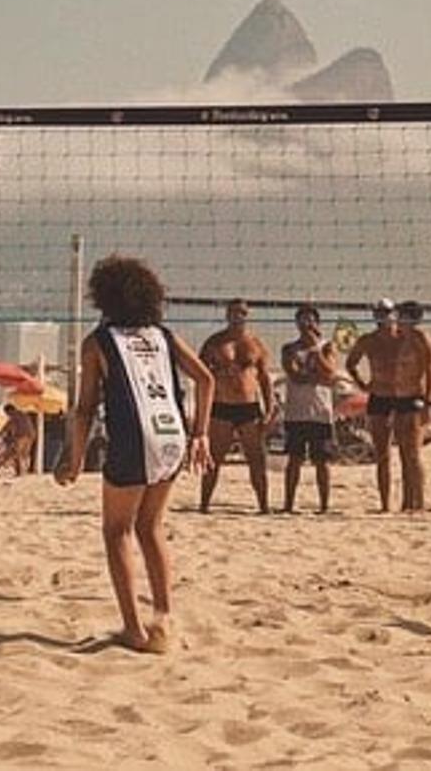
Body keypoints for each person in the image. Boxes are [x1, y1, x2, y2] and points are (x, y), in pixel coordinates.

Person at [56, 255, 214, 653]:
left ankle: (134, 629)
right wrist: (201, 435)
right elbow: (206, 379)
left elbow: (86, 408)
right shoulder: (163, 335)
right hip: (172, 434)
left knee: (116, 532)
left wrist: (73, 459)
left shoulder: (98, 343)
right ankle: (165, 617)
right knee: (151, 528)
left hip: (134, 437)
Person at [346, 298, 431, 513]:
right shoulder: (368, 340)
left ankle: (414, 503)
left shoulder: (413, 338)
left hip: (409, 396)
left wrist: (428, 400)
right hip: (381, 396)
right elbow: (351, 363)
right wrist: (363, 385)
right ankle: (386, 505)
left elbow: (430, 368)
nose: (382, 316)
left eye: (386, 312)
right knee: (382, 454)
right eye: (378, 312)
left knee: (411, 454)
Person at [197, 298, 276, 514]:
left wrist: (269, 409)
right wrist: (216, 374)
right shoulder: (215, 342)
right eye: (234, 312)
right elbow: (199, 373)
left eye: (242, 312)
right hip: (222, 405)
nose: (238, 316)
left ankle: (263, 505)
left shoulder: (255, 343)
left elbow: (265, 378)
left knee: (256, 458)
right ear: (227, 314)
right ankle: (204, 504)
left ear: (247, 315)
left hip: (249, 406)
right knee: (214, 457)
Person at [279, 303, 338, 514]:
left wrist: (315, 350)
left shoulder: (327, 346)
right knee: (294, 460)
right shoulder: (289, 348)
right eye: (302, 320)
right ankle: (288, 504)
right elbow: (295, 375)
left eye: (310, 319)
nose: (306, 324)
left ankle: (324, 506)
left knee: (322, 462)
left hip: (320, 413)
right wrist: (316, 376)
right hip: (296, 413)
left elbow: (331, 374)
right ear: (296, 323)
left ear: (317, 323)